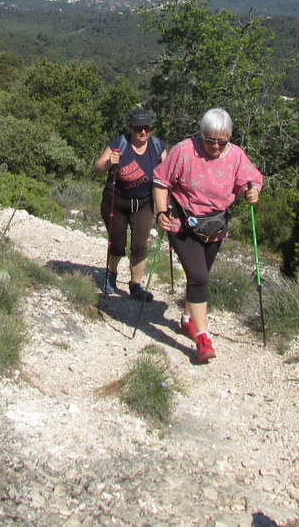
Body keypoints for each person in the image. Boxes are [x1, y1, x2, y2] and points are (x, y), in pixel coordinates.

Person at [152, 108, 262, 363]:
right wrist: (160, 212)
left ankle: (188, 320)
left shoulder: (235, 155)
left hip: (215, 226)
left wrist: (253, 191)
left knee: (201, 275)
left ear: (229, 138)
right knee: (199, 277)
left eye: (221, 141)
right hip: (182, 223)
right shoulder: (183, 151)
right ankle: (203, 338)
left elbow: (252, 180)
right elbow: (160, 181)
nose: (214, 146)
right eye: (209, 139)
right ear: (201, 134)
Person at [93, 109, 168, 301]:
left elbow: (167, 176)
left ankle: (135, 285)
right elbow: (98, 168)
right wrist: (109, 162)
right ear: (131, 128)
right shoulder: (119, 143)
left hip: (143, 203)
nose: (143, 132)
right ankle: (111, 275)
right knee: (117, 244)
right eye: (138, 128)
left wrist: (168, 205)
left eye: (147, 128)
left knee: (140, 245)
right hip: (116, 202)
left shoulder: (158, 146)